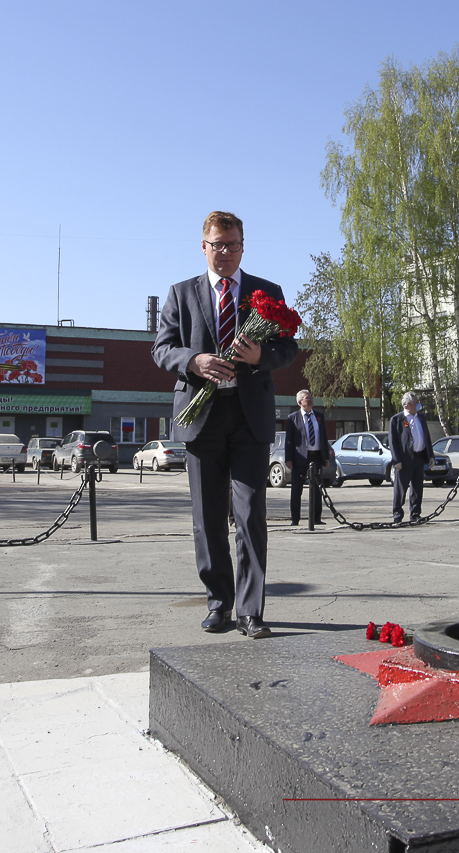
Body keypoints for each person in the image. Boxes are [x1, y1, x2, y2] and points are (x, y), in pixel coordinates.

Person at [152, 211, 298, 639]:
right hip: (202, 418)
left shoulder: (266, 292)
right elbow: (161, 350)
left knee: (252, 514)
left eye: (233, 245)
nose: (226, 253)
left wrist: (260, 357)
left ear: (242, 245)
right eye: (218, 245)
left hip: (249, 416)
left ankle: (251, 611)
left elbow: (288, 349)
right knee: (208, 517)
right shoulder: (181, 293)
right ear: (204, 247)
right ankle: (219, 603)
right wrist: (194, 361)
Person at [284, 389, 330, 527]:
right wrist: (289, 459)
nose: (309, 399)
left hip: (316, 457)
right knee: (296, 490)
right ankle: (295, 519)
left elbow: (324, 438)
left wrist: (326, 457)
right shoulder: (293, 418)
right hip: (300, 458)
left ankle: (316, 518)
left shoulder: (319, 416)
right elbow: (289, 441)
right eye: (306, 398)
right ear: (300, 402)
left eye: (310, 397)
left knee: (317, 489)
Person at [388, 391, 432, 524]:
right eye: (416, 402)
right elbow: (393, 441)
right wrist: (396, 460)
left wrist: (430, 455)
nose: (419, 404)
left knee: (417, 487)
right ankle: (397, 514)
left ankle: (415, 514)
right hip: (404, 459)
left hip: (419, 457)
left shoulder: (420, 418)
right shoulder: (398, 419)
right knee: (401, 488)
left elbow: (426, 437)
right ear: (408, 404)